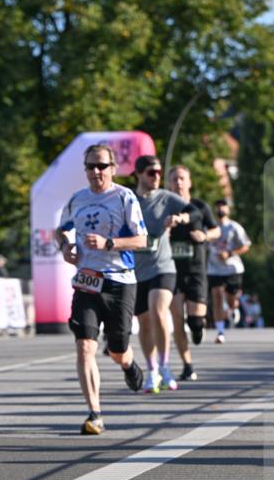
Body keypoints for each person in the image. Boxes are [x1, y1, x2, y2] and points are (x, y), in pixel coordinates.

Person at [56, 144, 146, 434]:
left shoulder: (124, 197)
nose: (96, 172)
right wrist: (65, 246)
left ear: (113, 168)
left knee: (118, 348)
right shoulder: (77, 199)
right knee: (85, 347)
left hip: (120, 279)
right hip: (87, 281)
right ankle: (95, 413)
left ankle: (128, 363)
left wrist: (109, 244)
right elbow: (61, 229)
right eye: (91, 166)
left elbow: (142, 240)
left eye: (102, 166)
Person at [133, 154, 202, 393]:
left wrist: (181, 217)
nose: (157, 177)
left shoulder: (166, 198)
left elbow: (196, 212)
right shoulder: (128, 200)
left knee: (158, 310)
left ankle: (165, 366)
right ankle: (152, 369)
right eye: (152, 173)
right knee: (144, 323)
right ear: (139, 174)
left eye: (160, 173)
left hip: (163, 266)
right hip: (136, 271)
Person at [167, 165, 220, 381]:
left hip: (197, 270)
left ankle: (198, 327)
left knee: (195, 322)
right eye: (174, 180)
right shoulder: (166, 206)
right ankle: (187, 364)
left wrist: (205, 236)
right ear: (169, 184)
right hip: (171, 270)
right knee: (177, 317)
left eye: (182, 179)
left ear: (189, 182)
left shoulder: (199, 206)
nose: (178, 183)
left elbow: (216, 230)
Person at [207, 199, 251, 344]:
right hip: (214, 268)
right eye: (218, 207)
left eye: (223, 206)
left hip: (233, 268)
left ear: (228, 209)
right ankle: (220, 332)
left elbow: (245, 245)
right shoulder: (210, 228)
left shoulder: (234, 227)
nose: (220, 209)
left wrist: (229, 253)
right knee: (217, 297)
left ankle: (234, 307)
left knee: (231, 300)